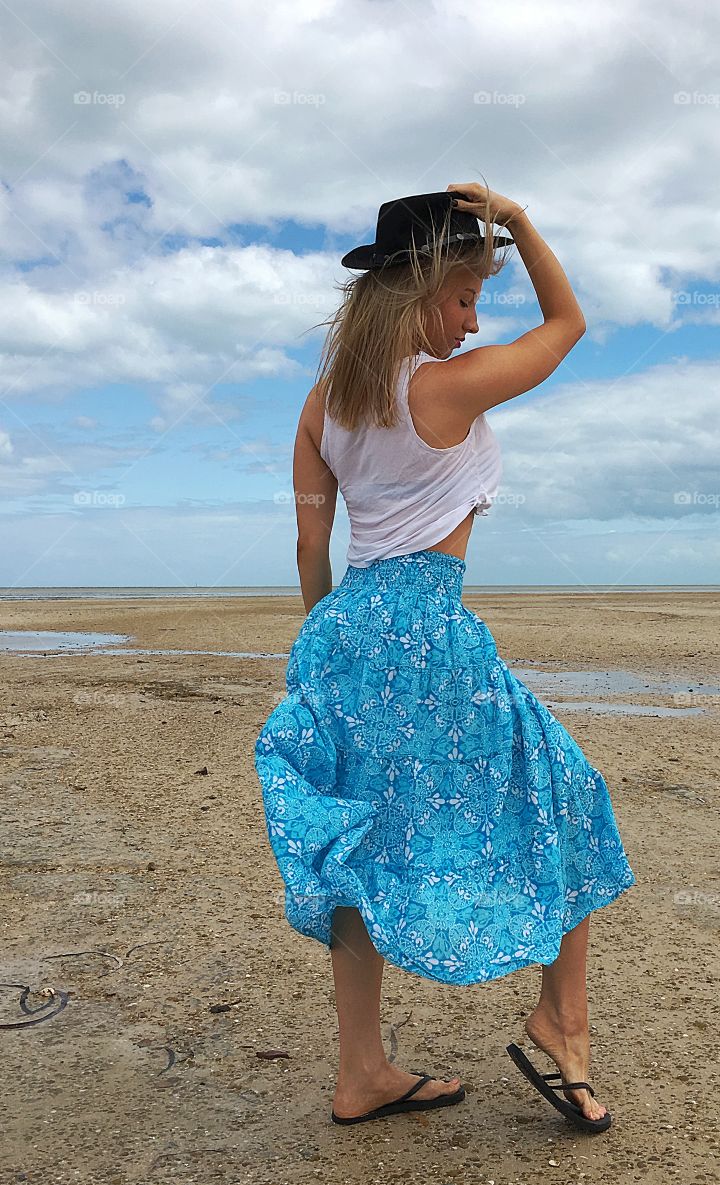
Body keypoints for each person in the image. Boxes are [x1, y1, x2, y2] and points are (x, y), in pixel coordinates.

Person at [253, 181, 636, 1133]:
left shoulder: (320, 404)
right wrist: (519, 219)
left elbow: (311, 549)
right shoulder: (444, 388)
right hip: (428, 625)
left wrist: (328, 658)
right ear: (415, 291)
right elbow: (569, 323)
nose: (471, 321)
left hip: (342, 632)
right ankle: (562, 1018)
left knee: (358, 839)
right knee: (568, 791)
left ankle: (363, 1072)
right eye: (463, 296)